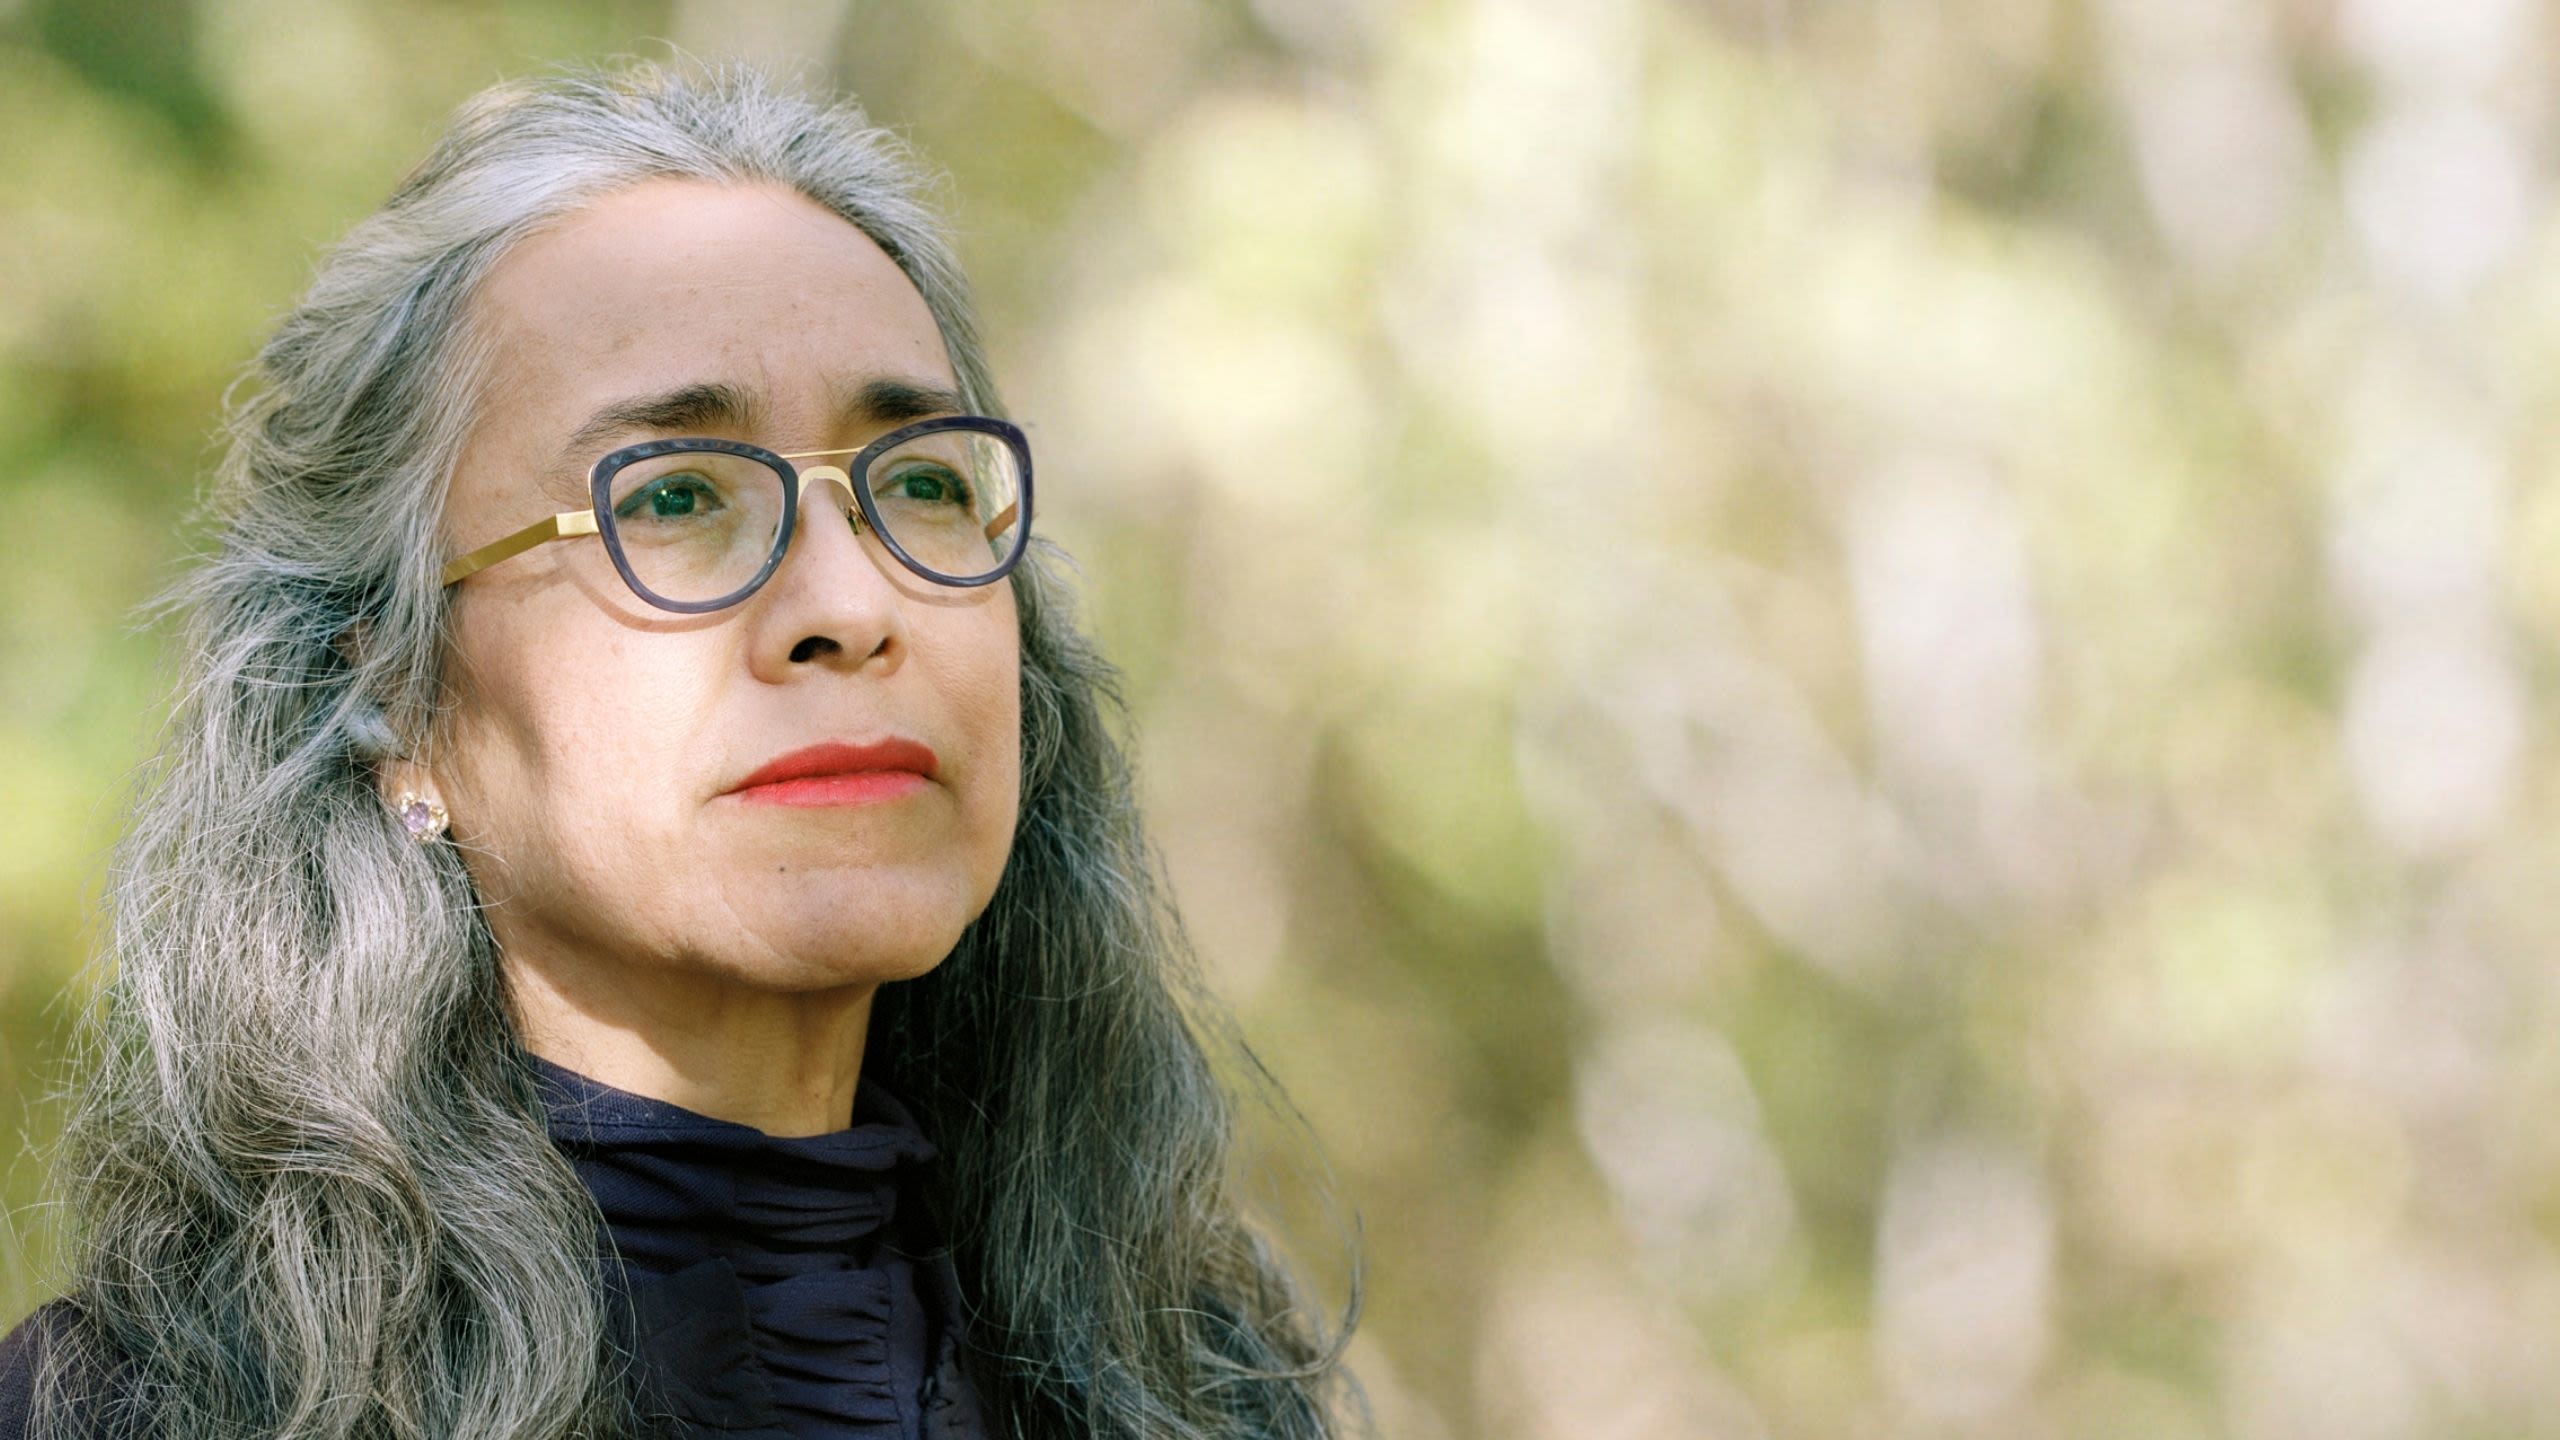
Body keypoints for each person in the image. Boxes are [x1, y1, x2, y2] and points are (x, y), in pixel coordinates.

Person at [0, 59, 1358, 1440]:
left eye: (924, 484)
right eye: (676, 497)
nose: (849, 605)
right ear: (396, 701)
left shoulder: (1209, 1394)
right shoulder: (137, 1415)